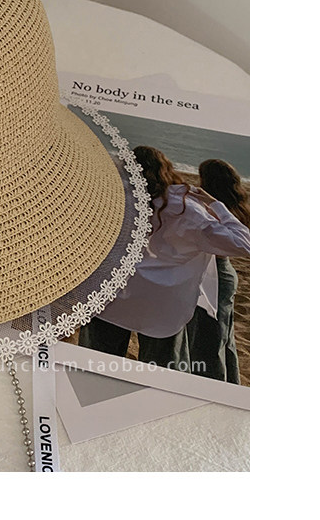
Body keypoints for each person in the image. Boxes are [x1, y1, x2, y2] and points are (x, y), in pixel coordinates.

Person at [79, 146, 250, 373]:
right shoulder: (186, 210)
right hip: (161, 304)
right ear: (166, 170)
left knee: (96, 368)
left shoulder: (110, 200)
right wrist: (215, 205)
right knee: (161, 373)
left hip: (111, 296)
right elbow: (244, 243)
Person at [186, 159, 250, 383]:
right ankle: (230, 384)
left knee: (209, 338)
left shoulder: (213, 209)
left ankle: (213, 386)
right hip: (226, 272)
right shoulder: (237, 207)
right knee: (224, 336)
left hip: (214, 273)